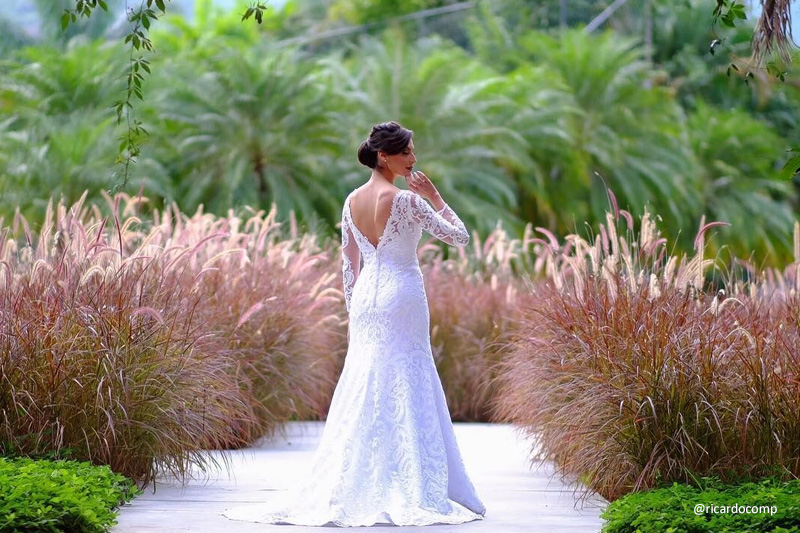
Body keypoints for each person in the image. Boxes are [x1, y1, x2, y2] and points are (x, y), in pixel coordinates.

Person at [223, 121, 486, 527]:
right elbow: (461, 237)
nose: (414, 159)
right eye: (408, 153)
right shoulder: (408, 201)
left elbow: (349, 263)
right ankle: (409, 479)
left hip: (366, 300)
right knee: (406, 375)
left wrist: (355, 311)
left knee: (366, 379)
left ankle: (356, 477)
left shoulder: (350, 201)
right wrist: (435, 197)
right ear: (385, 156)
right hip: (402, 294)